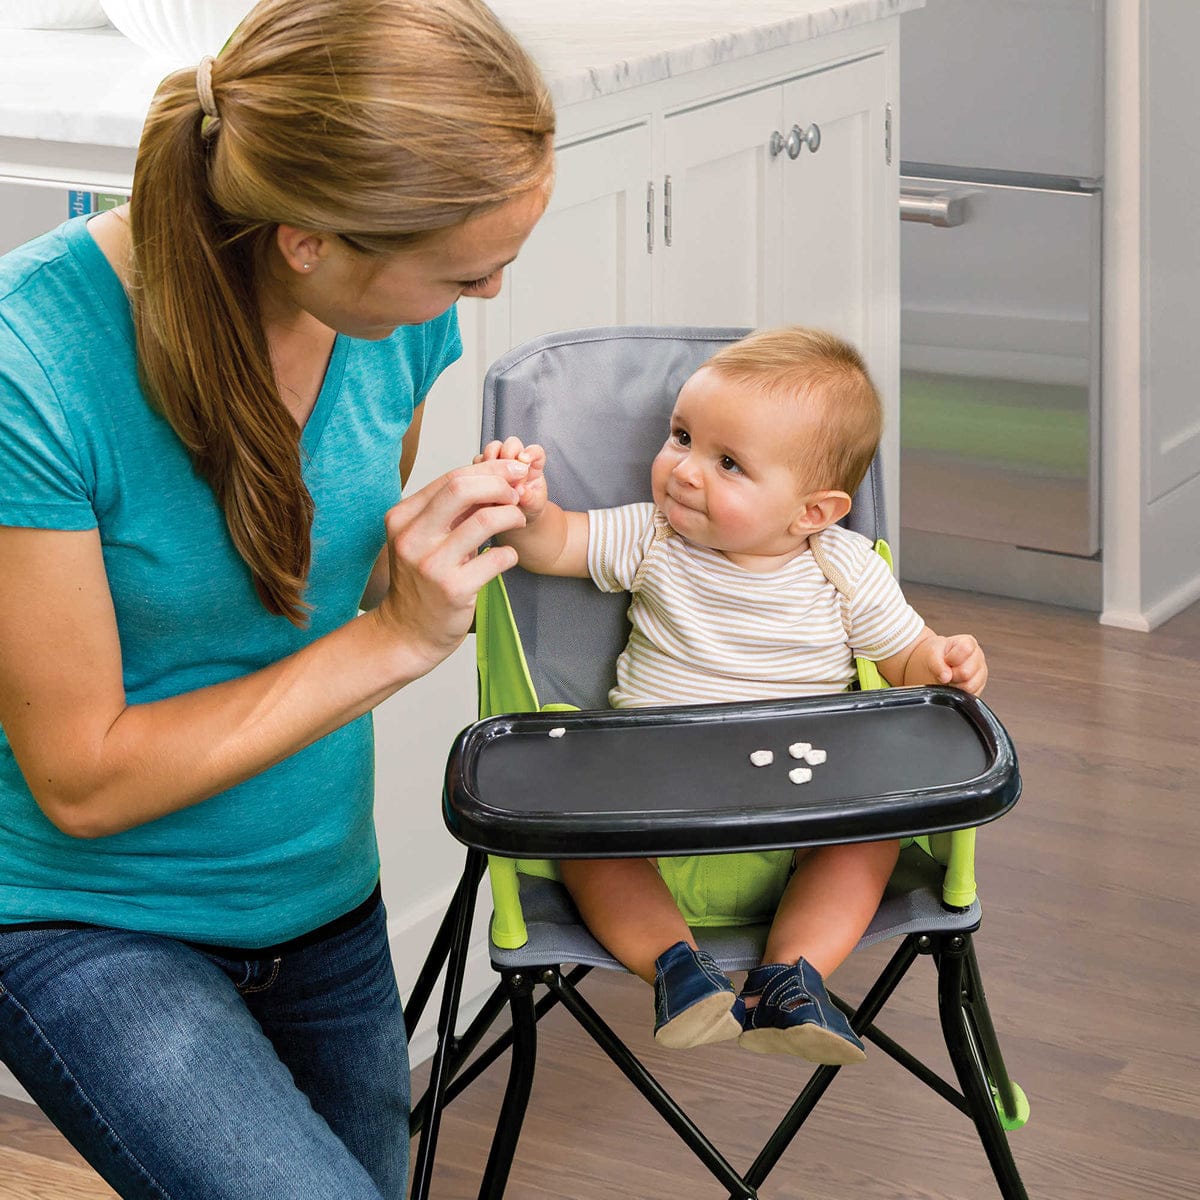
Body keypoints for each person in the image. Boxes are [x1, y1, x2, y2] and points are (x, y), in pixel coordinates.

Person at [0, 2, 553, 1197]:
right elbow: (81, 779)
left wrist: (426, 552)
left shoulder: (395, 322)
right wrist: (395, 634)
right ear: (309, 239)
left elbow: (299, 593)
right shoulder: (30, 363)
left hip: (317, 890)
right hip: (84, 913)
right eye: (465, 268)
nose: (489, 293)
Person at [476, 326, 988, 1067]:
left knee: (873, 834)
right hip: (650, 805)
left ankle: (793, 977)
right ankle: (680, 973)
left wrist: (943, 660)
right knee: (575, 833)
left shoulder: (845, 568)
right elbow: (555, 544)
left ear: (813, 512)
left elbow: (906, 659)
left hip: (804, 803)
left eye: (728, 463)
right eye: (680, 437)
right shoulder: (652, 537)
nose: (684, 471)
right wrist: (526, 508)